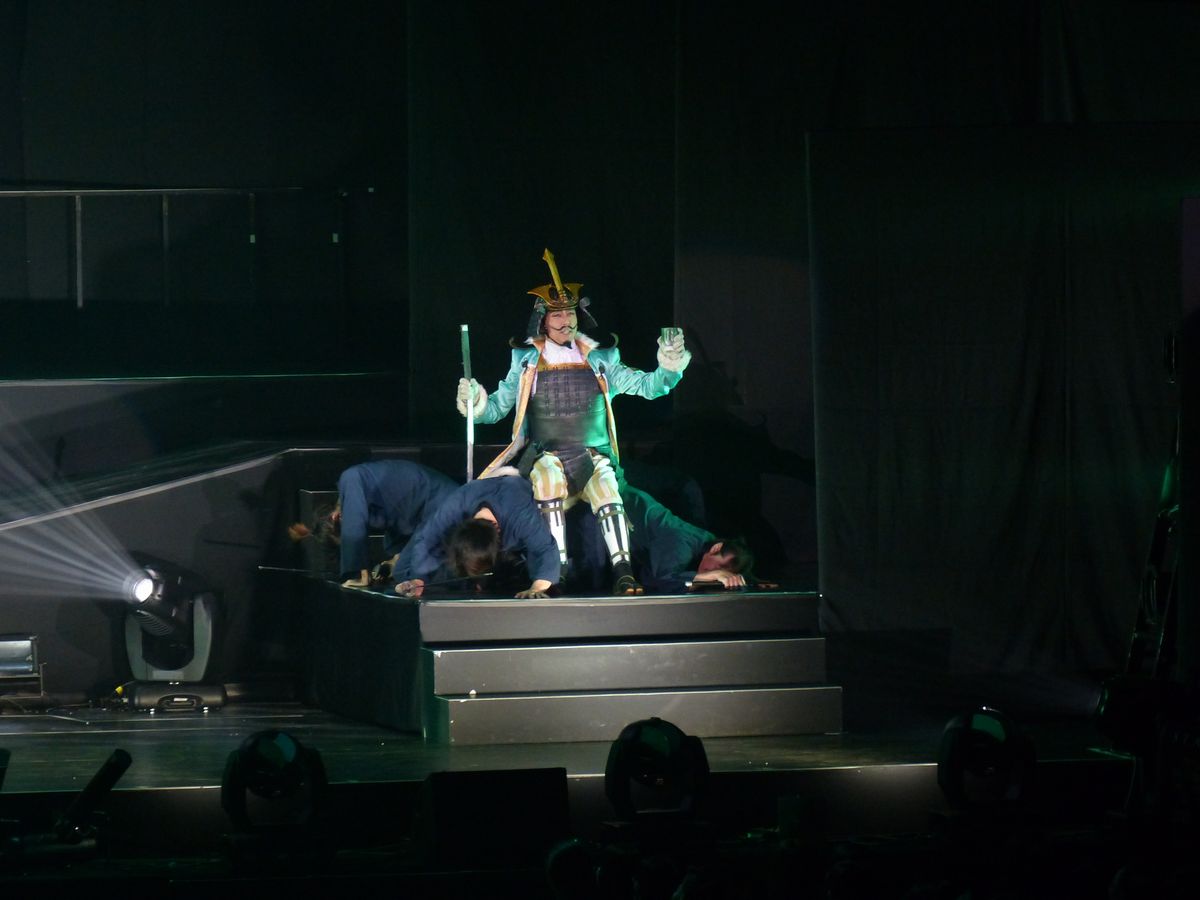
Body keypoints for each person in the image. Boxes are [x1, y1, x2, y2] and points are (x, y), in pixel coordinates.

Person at [455, 248, 690, 595]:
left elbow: (648, 387)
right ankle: (557, 569)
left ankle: (623, 570)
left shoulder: (601, 359)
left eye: (570, 312)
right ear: (543, 320)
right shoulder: (526, 362)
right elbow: (496, 410)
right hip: (547, 454)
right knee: (548, 481)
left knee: (607, 489)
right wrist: (475, 400)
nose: (566, 320)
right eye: (557, 314)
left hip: (592, 454)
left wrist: (668, 368)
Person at [287, 459, 457, 588]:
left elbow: (354, 532)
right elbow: (400, 520)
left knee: (405, 570)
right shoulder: (361, 491)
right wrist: (394, 560)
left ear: (336, 516)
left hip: (442, 504)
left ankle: (461, 577)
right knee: (397, 562)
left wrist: (357, 571)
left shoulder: (351, 479)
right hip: (431, 513)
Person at [394, 473, 561, 599]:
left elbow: (545, 548)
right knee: (402, 572)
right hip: (482, 492)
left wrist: (537, 588)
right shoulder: (456, 505)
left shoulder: (521, 517)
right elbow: (426, 539)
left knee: (543, 578)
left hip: (517, 491)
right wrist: (417, 579)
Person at [621, 484, 755, 593]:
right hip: (619, 504)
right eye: (720, 567)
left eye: (724, 573)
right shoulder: (683, 541)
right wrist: (708, 576)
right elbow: (662, 580)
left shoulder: (704, 545)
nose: (717, 572)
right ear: (716, 548)